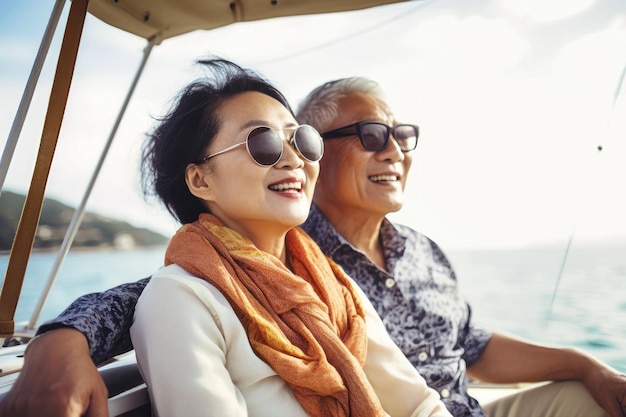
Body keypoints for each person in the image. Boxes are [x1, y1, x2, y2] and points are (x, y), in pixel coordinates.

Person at [2, 70, 626, 417]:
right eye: (372, 132)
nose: (395, 149)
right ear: (200, 178)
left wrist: (584, 361)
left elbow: (464, 352)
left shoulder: (372, 265)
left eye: (403, 133)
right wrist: (62, 336)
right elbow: (180, 291)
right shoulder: (253, 264)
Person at [4, 57, 449, 417]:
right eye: (263, 143)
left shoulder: (332, 284)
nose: (293, 158)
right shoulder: (181, 298)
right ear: (200, 181)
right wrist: (59, 337)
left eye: (302, 141)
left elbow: (419, 405)